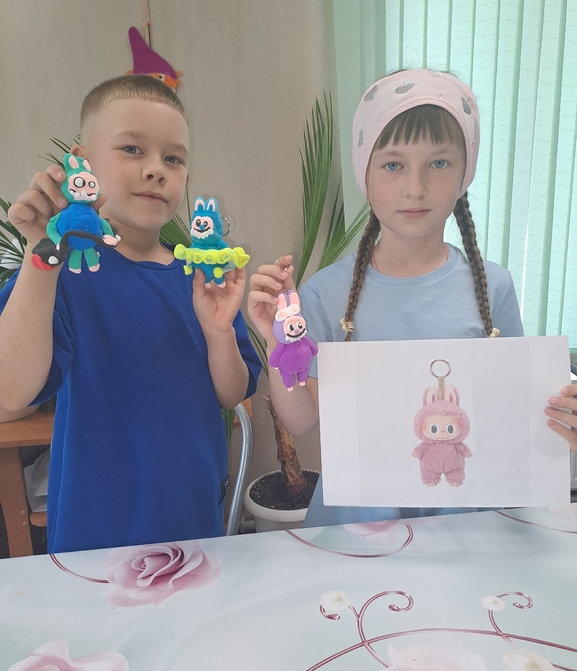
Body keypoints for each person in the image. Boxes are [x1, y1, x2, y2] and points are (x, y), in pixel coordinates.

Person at [248, 68, 576, 527]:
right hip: (355, 528)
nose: (415, 187)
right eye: (393, 165)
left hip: (462, 520)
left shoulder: (494, 286)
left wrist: (560, 415)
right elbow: (302, 422)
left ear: (465, 174)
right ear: (365, 174)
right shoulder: (324, 292)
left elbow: (510, 412)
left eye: (439, 163)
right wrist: (277, 341)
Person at [0, 75, 260, 552]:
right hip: (92, 538)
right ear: (82, 162)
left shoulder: (200, 277)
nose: (156, 170)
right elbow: (10, 393)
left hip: (193, 525)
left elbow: (232, 393)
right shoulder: (63, 270)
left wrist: (220, 331)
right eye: (133, 149)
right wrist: (42, 252)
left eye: (173, 159)